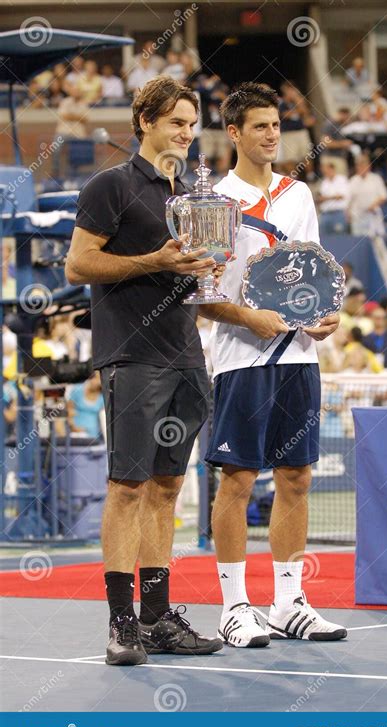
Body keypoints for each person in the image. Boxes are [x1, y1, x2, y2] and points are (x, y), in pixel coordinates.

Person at [65, 76, 223, 666]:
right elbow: (80, 261)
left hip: (185, 354)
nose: (186, 132)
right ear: (145, 123)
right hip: (132, 356)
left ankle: (156, 619)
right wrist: (153, 260)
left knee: (167, 488)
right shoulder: (112, 184)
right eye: (176, 122)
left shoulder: (192, 197)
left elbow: (201, 281)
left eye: (192, 122)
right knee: (127, 487)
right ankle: (120, 625)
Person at [199, 82, 347, 648]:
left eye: (275, 125)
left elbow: (312, 276)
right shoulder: (214, 201)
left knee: (298, 478)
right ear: (233, 132)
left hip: (300, 356)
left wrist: (327, 315)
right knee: (237, 481)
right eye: (258, 126)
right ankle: (235, 607)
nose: (270, 135)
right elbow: (201, 294)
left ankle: (288, 602)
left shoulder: (299, 194)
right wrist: (246, 317)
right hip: (241, 358)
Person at [347, 153, 387, 236]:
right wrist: (348, 213)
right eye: (359, 165)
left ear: (369, 166)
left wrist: (373, 205)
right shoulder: (353, 180)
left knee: (377, 240)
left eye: (363, 165)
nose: (361, 168)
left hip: (373, 215)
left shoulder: (376, 179)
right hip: (358, 216)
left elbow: (384, 196)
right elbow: (348, 200)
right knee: (358, 241)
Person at [67, 371, 104, 440]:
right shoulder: (77, 389)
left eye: (100, 379)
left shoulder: (102, 397)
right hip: (75, 433)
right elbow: (69, 410)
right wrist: (73, 426)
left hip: (93, 435)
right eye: (94, 377)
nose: (96, 381)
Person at [316, 161, 349, 235]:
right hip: (325, 214)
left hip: (338, 213)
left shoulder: (342, 179)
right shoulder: (323, 182)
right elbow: (319, 199)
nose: (325, 171)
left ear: (332, 169)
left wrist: (326, 198)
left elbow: (341, 196)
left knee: (340, 237)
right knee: (324, 238)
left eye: (327, 169)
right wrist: (333, 197)